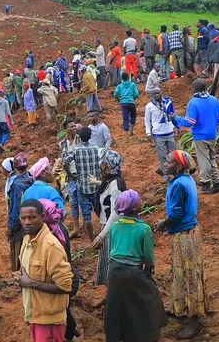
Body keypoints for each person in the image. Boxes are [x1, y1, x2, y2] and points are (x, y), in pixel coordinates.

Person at [154, 150, 207, 339]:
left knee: (188, 275)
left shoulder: (178, 185)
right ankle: (183, 307)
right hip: (191, 232)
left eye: (168, 162)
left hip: (184, 235)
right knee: (188, 273)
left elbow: (176, 214)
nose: (165, 164)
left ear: (178, 166)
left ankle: (194, 320)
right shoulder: (187, 179)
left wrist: (163, 223)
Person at [103, 190, 166, 341]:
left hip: (114, 272)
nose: (140, 202)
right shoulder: (144, 229)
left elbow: (112, 249)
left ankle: (117, 335)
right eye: (138, 201)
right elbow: (148, 257)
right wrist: (149, 270)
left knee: (117, 304)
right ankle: (148, 334)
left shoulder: (115, 226)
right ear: (133, 207)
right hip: (134, 272)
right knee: (150, 299)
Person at [13, 200, 73, 342]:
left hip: (50, 321)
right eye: (23, 218)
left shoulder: (51, 246)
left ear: (42, 217)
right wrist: (21, 280)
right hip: (35, 315)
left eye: (32, 218)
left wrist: (30, 283)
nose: (27, 222)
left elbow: (65, 286)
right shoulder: (27, 241)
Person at [89, 149, 127, 292]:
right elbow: (109, 188)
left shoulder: (115, 185)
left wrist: (101, 236)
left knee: (111, 264)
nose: (101, 165)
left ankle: (113, 294)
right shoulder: (114, 180)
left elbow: (115, 213)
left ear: (107, 166)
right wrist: (97, 182)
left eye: (103, 163)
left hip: (112, 228)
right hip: (110, 227)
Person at [182, 79, 219, 194]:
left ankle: (206, 184)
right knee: (212, 157)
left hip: (200, 136)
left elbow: (190, 122)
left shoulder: (194, 102)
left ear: (194, 89)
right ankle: (217, 182)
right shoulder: (214, 100)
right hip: (212, 134)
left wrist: (177, 120)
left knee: (204, 160)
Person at [63, 127, 100, 241]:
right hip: (96, 185)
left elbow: (64, 162)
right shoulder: (96, 149)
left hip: (82, 186)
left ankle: (92, 240)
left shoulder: (76, 150)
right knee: (100, 211)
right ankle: (105, 232)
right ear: (90, 137)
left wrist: (71, 175)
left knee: (86, 215)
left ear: (80, 137)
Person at [145, 89, 180, 182]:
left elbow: (174, 114)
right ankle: (166, 175)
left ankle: (176, 173)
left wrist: (177, 125)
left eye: (158, 93)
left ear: (161, 94)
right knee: (162, 156)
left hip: (169, 132)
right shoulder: (149, 106)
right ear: (152, 95)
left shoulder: (168, 102)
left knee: (173, 155)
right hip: (158, 134)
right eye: (154, 93)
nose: (156, 95)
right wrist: (148, 133)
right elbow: (147, 121)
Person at [6, 153, 33, 270]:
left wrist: (11, 226)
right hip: (32, 218)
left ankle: (19, 279)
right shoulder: (31, 178)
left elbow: (15, 207)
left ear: (15, 167)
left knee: (18, 251)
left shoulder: (17, 184)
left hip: (20, 222)